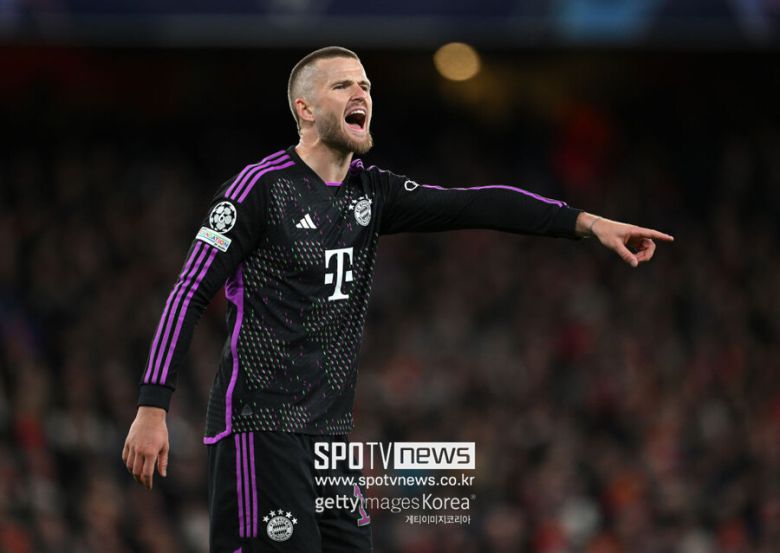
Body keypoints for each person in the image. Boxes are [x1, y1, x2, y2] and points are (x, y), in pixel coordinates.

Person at [122, 46, 674, 552]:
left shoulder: (373, 192)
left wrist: (588, 223)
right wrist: (152, 406)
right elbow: (189, 291)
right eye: (342, 85)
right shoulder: (259, 189)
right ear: (305, 110)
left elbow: (475, 205)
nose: (361, 93)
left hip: (329, 440)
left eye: (365, 84)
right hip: (260, 429)